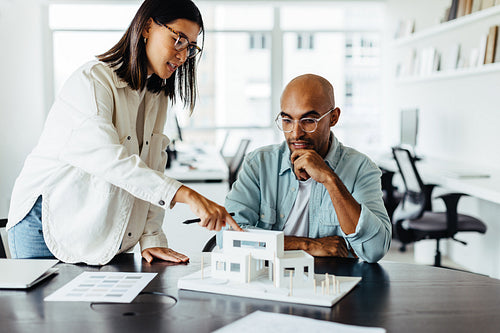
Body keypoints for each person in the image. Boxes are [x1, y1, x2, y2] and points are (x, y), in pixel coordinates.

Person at [7, 0, 241, 266]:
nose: (183, 55)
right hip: (45, 223)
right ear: (147, 28)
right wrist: (188, 194)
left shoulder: (156, 95)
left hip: (90, 230)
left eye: (190, 47)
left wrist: (152, 237)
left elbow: (153, 165)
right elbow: (109, 160)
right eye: (178, 40)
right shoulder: (92, 80)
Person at [224, 74, 391, 263]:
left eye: (309, 120)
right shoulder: (259, 163)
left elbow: (374, 249)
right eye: (287, 120)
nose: (296, 133)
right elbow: (228, 236)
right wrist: (307, 245)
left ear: (334, 117)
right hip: (267, 280)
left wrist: (330, 179)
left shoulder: (361, 168)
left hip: (331, 283)